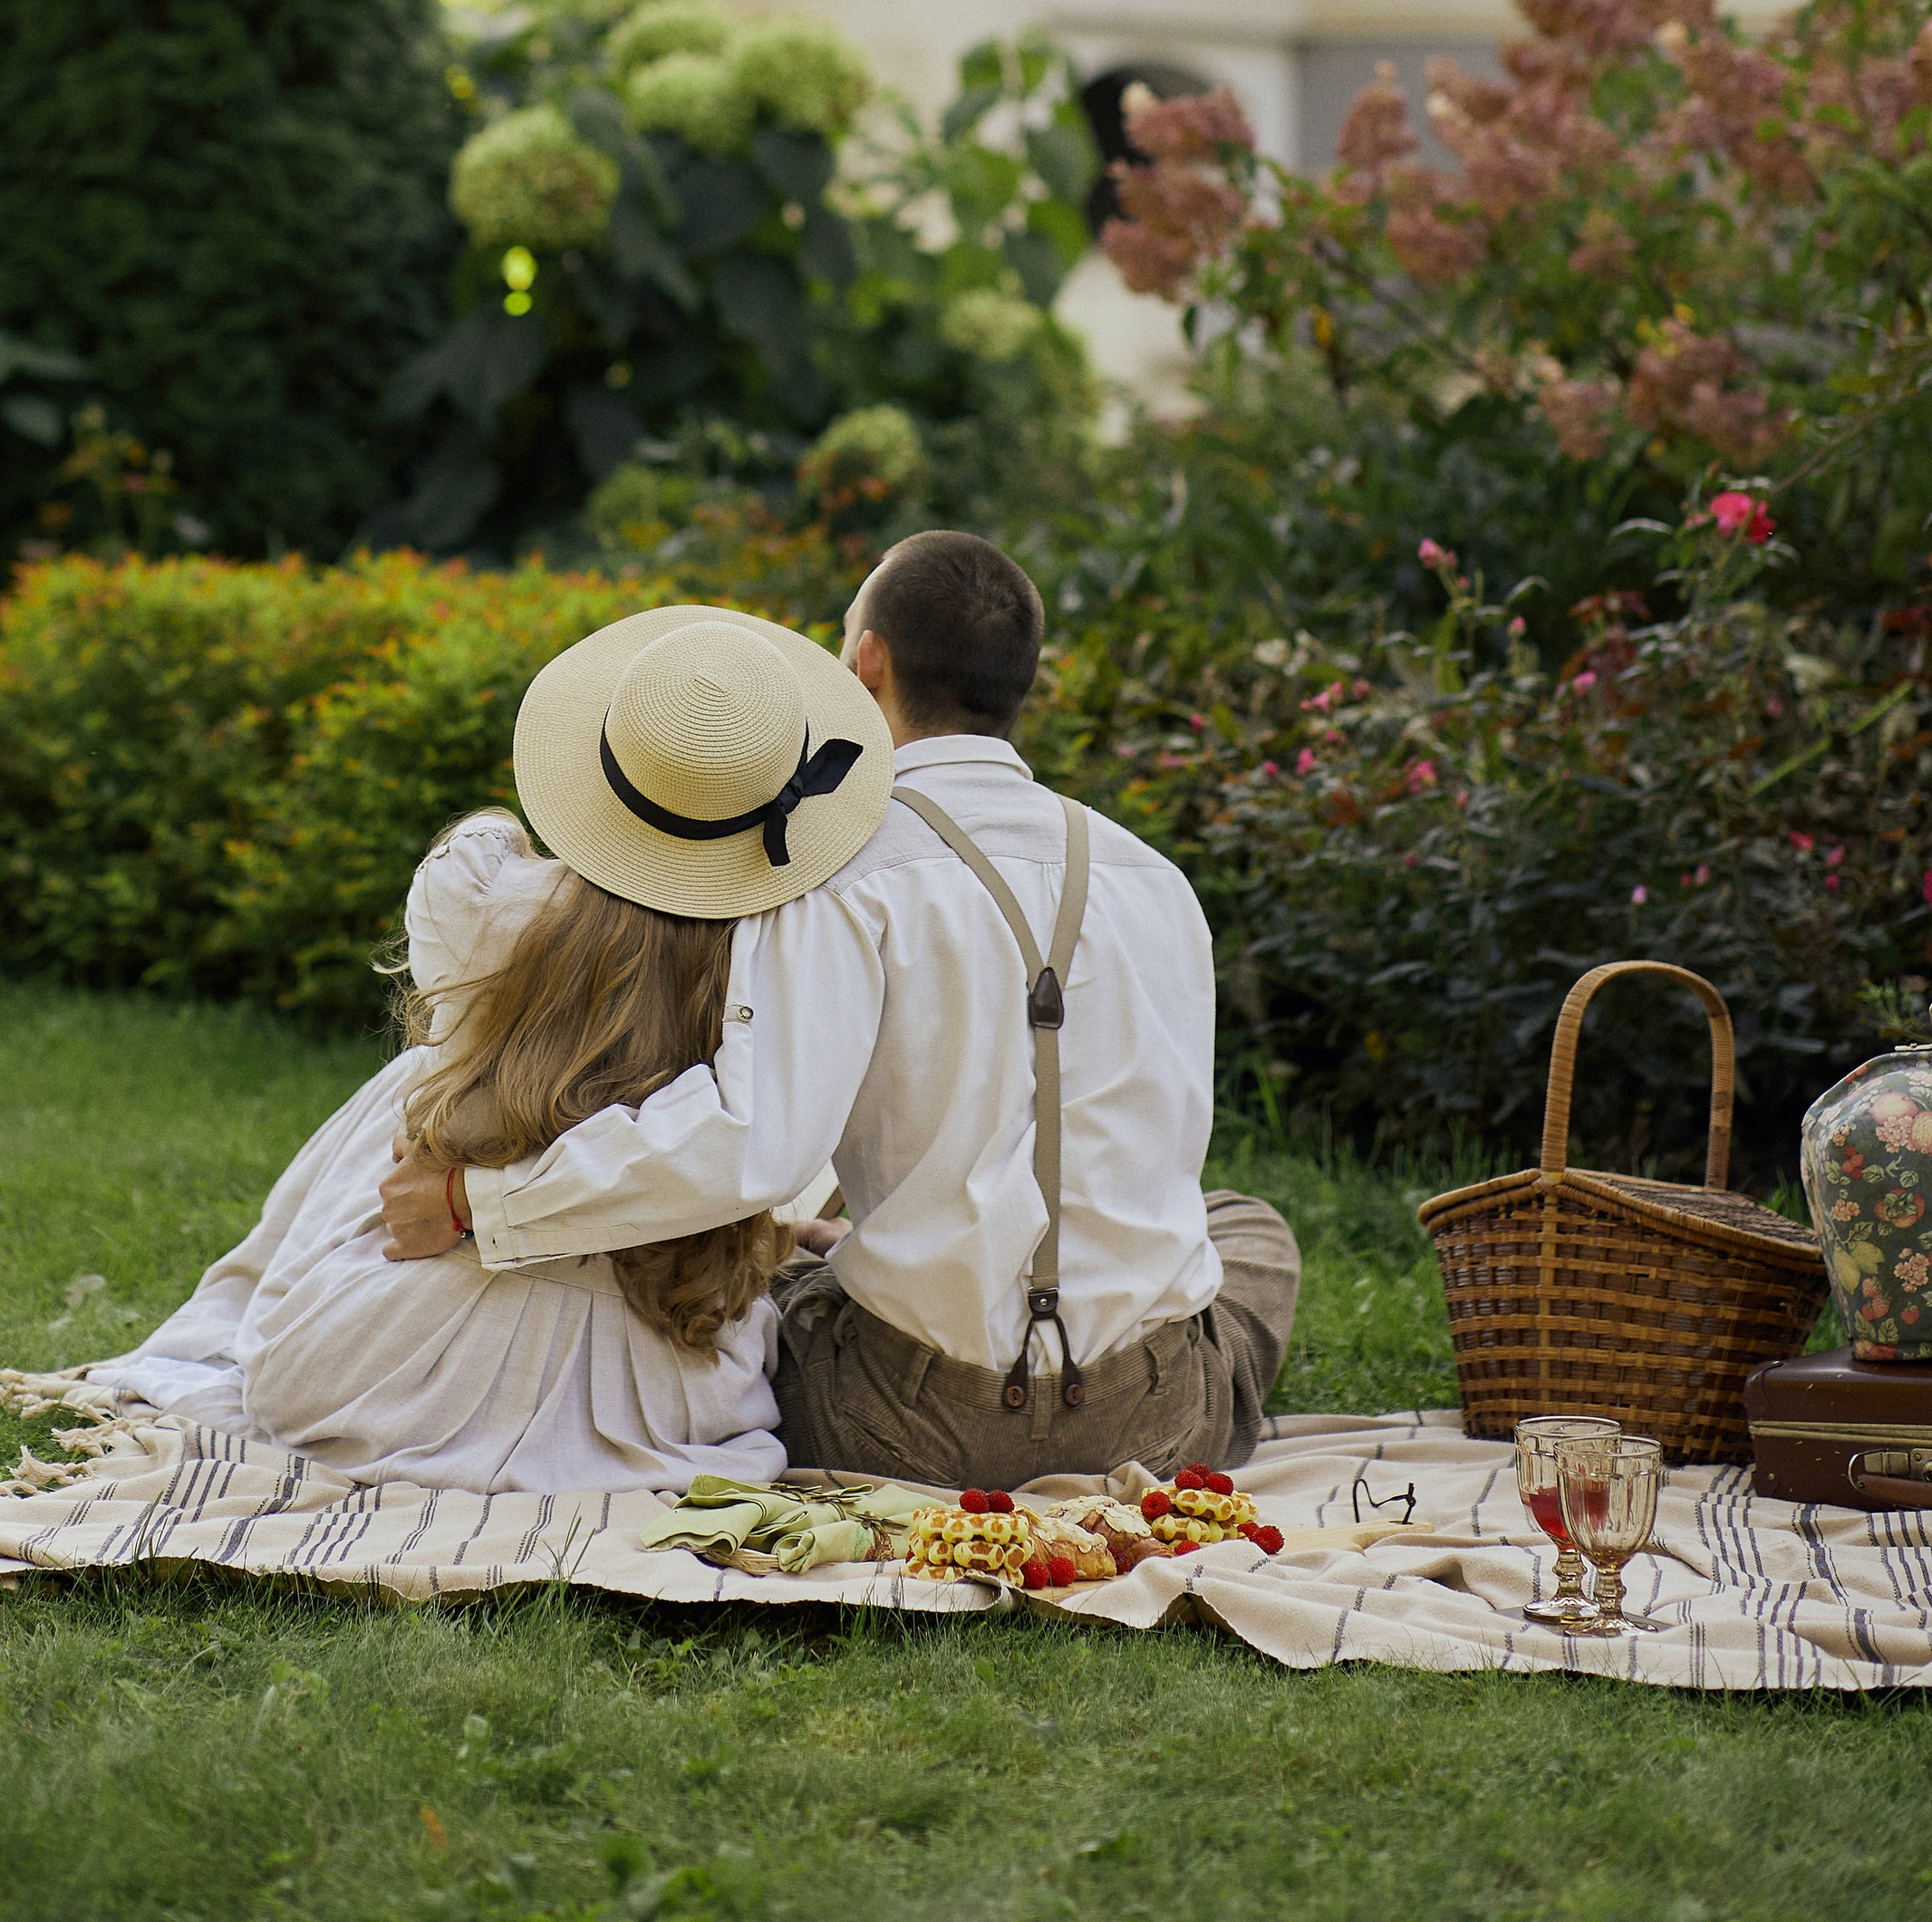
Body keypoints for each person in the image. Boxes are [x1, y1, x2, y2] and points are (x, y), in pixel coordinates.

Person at [384, 531, 1300, 1492]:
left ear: (868, 664)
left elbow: (753, 1146)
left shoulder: (839, 877)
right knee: (1245, 1228)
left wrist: (476, 1204)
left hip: (900, 1428)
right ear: (1019, 683)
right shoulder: (1155, 880)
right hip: (1151, 1423)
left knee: (757, 1279)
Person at [81, 605, 894, 1492]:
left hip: (391, 1370)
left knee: (431, 1067)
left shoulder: (482, 905)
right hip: (662, 1397)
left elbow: (480, 843)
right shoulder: (785, 964)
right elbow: (736, 1144)